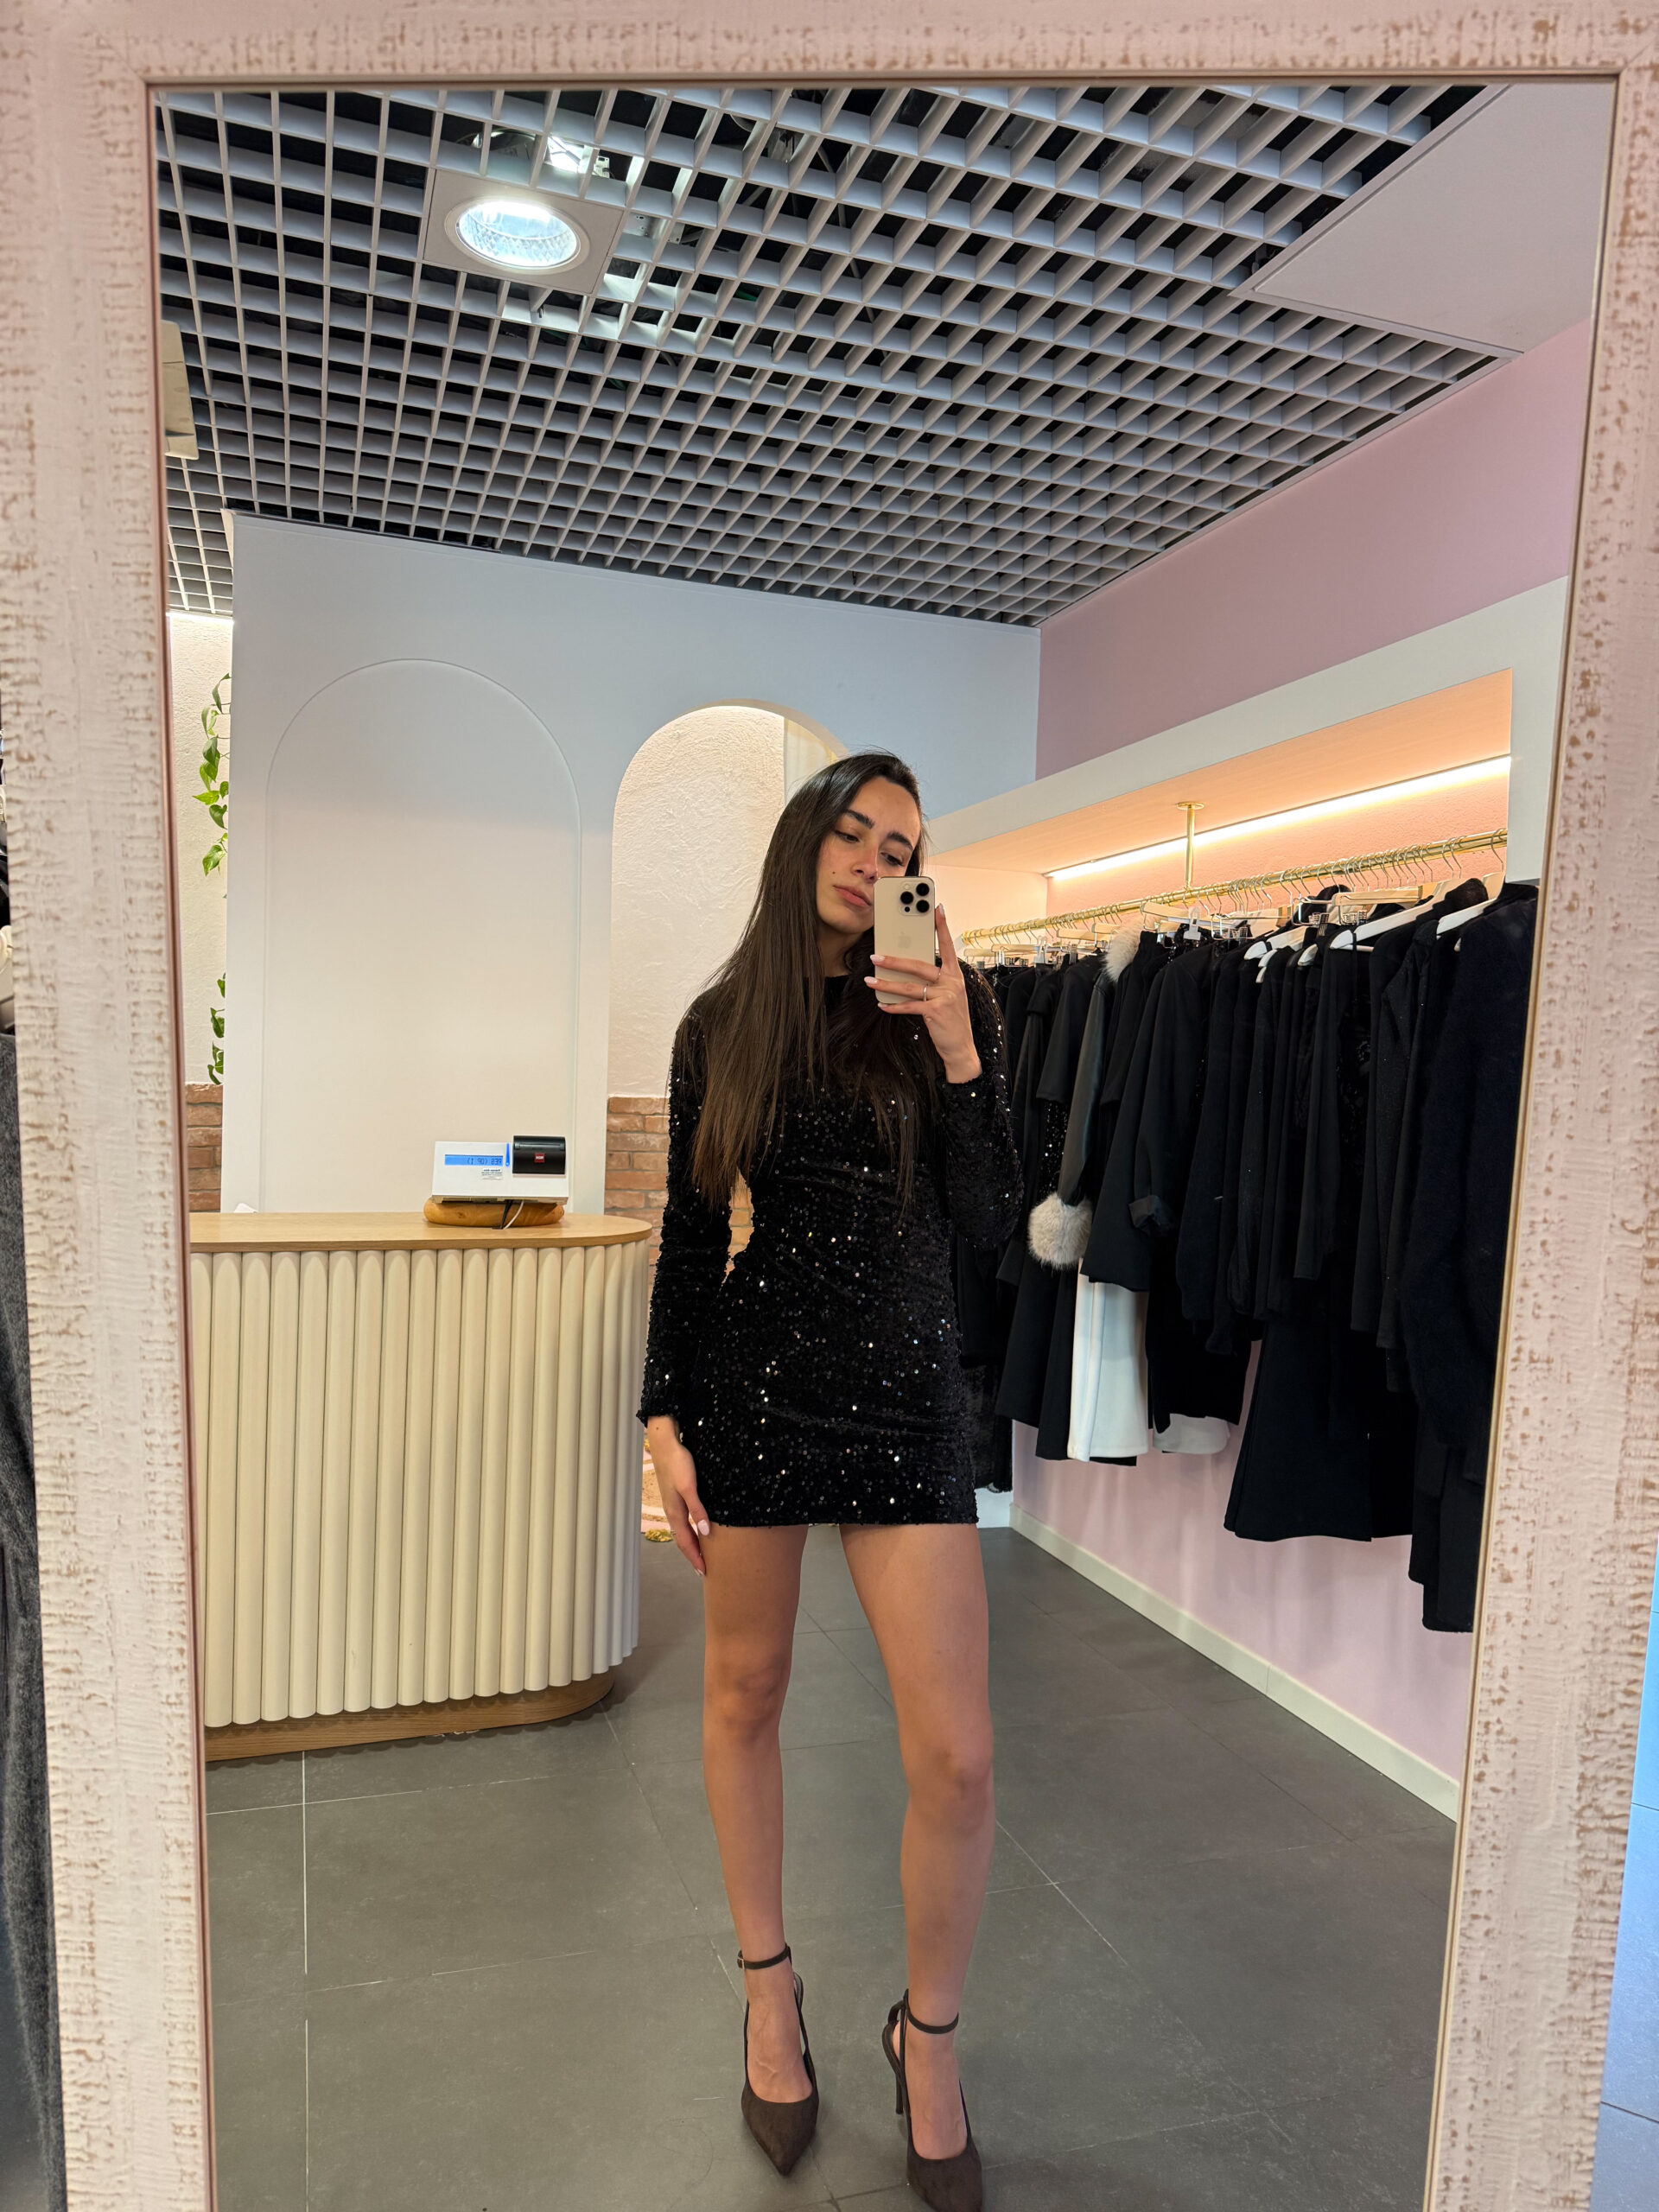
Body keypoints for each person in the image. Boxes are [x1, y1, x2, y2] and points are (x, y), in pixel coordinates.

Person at [639, 751, 1021, 2211]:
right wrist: (662, 1410)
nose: (873, 861)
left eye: (902, 847)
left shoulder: (947, 1007)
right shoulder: (720, 1025)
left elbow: (994, 1218)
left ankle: (929, 2037)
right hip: (758, 1393)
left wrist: (960, 1045)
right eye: (854, 832)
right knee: (744, 1694)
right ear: (806, 840)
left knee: (959, 1756)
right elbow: (692, 1235)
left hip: (908, 1405)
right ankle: (768, 1990)